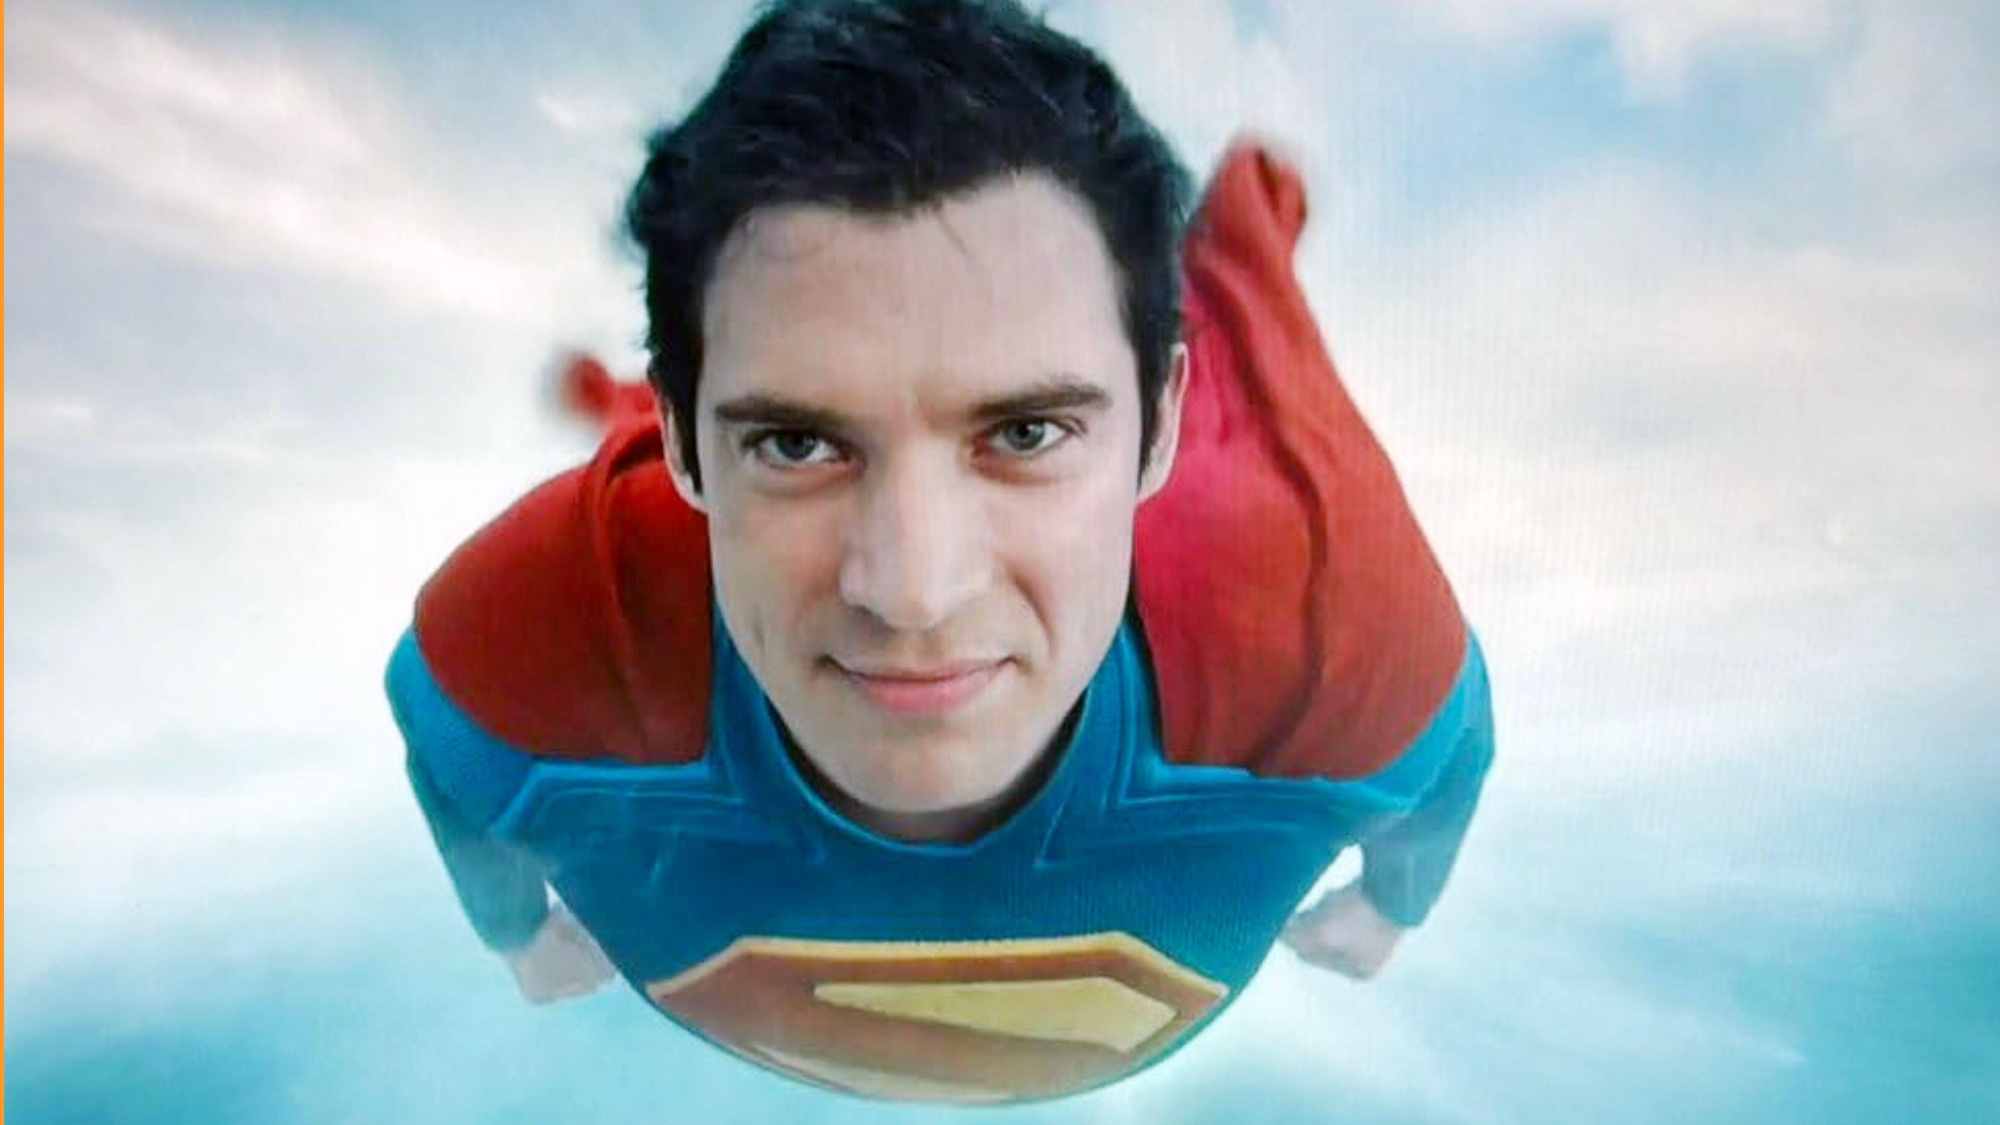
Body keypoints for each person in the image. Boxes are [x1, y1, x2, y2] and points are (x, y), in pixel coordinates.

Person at [387, 0, 1494, 1105]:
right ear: (682, 446)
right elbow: (444, 744)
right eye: (797, 441)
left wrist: (520, 935)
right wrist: (511, 928)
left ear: (1159, 427)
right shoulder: (550, 622)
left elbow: (1452, 751)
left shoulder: (1325, 627)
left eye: (1026, 432)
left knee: (1243, 301)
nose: (914, 594)